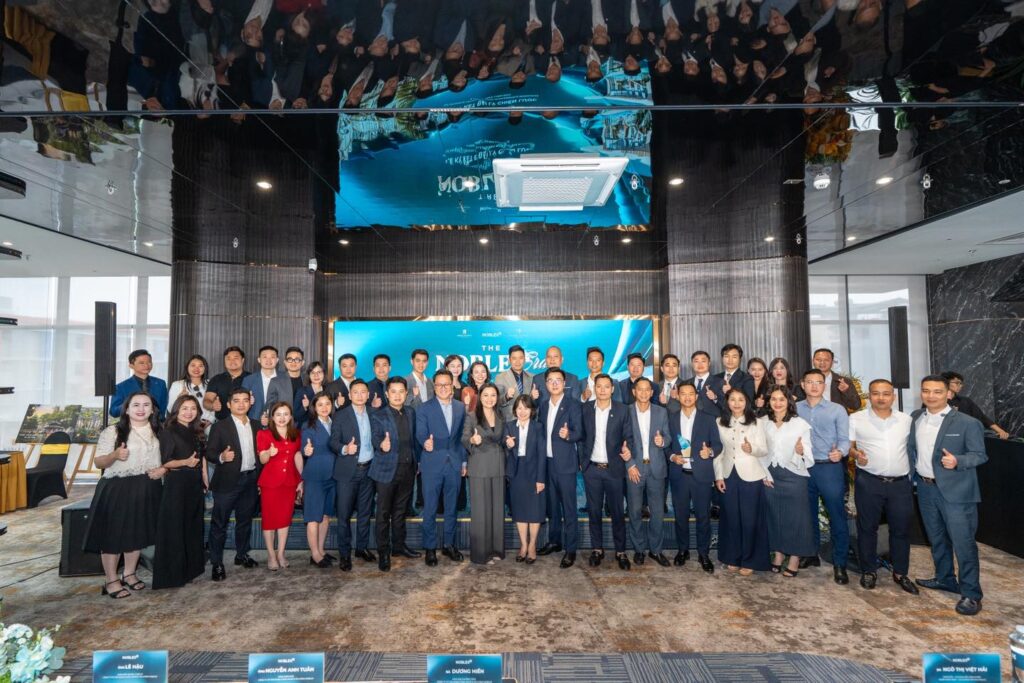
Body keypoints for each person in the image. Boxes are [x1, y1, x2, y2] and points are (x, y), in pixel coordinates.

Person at [910, 375, 988, 616]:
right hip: (925, 488)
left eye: (937, 391)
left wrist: (958, 461)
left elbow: (980, 455)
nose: (931, 396)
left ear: (949, 394)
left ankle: (971, 594)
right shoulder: (915, 417)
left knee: (963, 543)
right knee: (937, 539)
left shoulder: (967, 422)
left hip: (957, 492)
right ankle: (945, 578)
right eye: (926, 391)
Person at [85, 391, 165, 599]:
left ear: (153, 410)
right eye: (136, 405)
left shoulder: (158, 430)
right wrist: (114, 455)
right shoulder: (113, 431)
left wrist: (162, 470)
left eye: (146, 405)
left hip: (147, 487)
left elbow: (165, 458)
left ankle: (129, 573)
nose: (141, 409)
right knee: (113, 535)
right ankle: (111, 580)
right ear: (127, 409)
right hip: (118, 487)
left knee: (137, 533)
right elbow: (98, 462)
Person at [849, 379, 919, 594]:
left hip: (900, 485)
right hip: (869, 482)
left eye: (886, 394)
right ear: (869, 395)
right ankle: (869, 571)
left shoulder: (906, 420)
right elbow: (848, 447)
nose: (881, 398)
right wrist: (856, 454)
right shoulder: (856, 418)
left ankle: (900, 573)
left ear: (893, 397)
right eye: (876, 393)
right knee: (867, 528)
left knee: (901, 529)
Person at [796, 368, 852, 584]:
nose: (814, 386)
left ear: (824, 385)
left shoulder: (837, 409)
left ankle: (840, 563)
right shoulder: (795, 408)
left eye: (818, 382)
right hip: (804, 468)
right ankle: (811, 554)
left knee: (837, 515)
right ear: (803, 385)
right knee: (807, 514)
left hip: (829, 467)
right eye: (809, 382)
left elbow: (845, 440)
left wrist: (841, 452)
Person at [205, 387, 262, 581]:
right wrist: (221, 456)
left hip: (250, 480)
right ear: (229, 405)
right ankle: (217, 563)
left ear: (250, 403)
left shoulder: (257, 425)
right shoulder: (220, 426)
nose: (241, 404)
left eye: (245, 400)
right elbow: (210, 453)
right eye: (236, 401)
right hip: (227, 482)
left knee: (244, 521)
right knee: (219, 524)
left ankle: (242, 554)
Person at [759, 386, 815, 578]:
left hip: (794, 474)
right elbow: (760, 451)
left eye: (781, 399)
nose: (777, 403)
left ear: (788, 401)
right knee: (774, 516)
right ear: (769, 402)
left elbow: (808, 452)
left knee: (796, 518)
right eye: (773, 399)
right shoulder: (762, 422)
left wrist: (801, 451)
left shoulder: (800, 424)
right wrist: (764, 474)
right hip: (770, 475)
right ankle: (778, 554)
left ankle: (795, 558)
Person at [581, 373, 636, 570]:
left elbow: (629, 436)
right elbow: (581, 437)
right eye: (599, 386)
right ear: (594, 388)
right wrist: (582, 462)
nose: (602, 390)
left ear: (612, 389)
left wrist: (628, 449)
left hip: (614, 469)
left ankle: (620, 551)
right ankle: (597, 549)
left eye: (606, 386)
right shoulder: (586, 409)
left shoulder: (622, 410)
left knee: (617, 512)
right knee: (594, 512)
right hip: (592, 469)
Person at [667, 382, 723, 572]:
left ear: (696, 396)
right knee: (680, 516)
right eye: (683, 393)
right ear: (678, 396)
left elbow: (718, 445)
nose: (687, 397)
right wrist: (672, 457)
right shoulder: (671, 418)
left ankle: (703, 554)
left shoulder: (708, 419)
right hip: (680, 476)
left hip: (701, 476)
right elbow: (666, 446)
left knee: (703, 517)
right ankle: (682, 550)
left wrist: (710, 452)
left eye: (691, 393)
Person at [714, 389, 770, 575]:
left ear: (746, 402)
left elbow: (764, 449)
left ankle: (750, 560)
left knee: (750, 519)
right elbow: (719, 452)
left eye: (741, 399)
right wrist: (719, 476)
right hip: (728, 474)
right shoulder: (719, 422)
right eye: (733, 399)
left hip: (751, 475)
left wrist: (751, 448)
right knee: (731, 517)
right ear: (727, 402)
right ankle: (733, 557)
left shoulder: (756, 422)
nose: (737, 403)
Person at [153, 395, 206, 590]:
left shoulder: (196, 431)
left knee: (191, 527)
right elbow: (166, 461)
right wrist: (186, 462)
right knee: (175, 528)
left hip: (194, 483)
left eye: (193, 408)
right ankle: (173, 575)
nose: (189, 412)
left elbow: (201, 458)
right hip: (177, 484)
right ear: (176, 410)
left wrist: (205, 478)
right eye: (184, 408)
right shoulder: (169, 431)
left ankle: (190, 570)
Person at [369, 377, 422, 571]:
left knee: (400, 511)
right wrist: (381, 445)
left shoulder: (410, 412)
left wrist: (417, 461)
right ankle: (383, 552)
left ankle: (399, 546)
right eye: (393, 391)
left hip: (408, 470)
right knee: (383, 513)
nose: (398, 395)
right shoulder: (378, 415)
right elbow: (375, 438)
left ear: (406, 393)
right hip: (386, 470)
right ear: (387, 394)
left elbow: (414, 439)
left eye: (401, 391)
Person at [417, 369, 468, 565]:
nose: (443, 388)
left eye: (447, 384)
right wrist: (425, 442)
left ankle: (449, 545)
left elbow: (461, 438)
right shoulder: (424, 408)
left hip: (454, 463)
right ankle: (430, 548)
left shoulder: (460, 407)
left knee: (451, 508)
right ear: (434, 387)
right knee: (430, 508)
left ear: (452, 386)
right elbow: (420, 433)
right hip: (432, 463)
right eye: (439, 385)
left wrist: (463, 461)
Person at [536, 367, 583, 568]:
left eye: (558, 380)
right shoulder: (543, 406)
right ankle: (555, 541)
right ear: (546, 384)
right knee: (552, 506)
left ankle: (570, 549)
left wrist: (569, 435)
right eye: (550, 380)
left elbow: (580, 432)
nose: (554, 384)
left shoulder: (573, 405)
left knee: (569, 508)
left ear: (564, 383)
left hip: (565, 464)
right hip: (547, 463)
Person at [330, 379, 378, 571]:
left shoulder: (374, 414)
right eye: (355, 392)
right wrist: (344, 449)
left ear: (368, 395)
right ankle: (344, 554)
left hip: (369, 470)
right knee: (344, 515)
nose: (359, 395)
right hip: (347, 472)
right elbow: (333, 442)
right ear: (350, 395)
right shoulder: (340, 415)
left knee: (365, 513)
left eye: (363, 392)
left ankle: (362, 548)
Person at [625, 377, 671, 566]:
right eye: (640, 389)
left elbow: (668, 437)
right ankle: (638, 549)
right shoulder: (626, 412)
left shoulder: (661, 412)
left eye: (647, 390)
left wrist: (663, 441)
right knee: (635, 511)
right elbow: (622, 441)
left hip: (656, 468)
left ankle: (656, 550)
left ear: (652, 393)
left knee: (657, 512)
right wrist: (630, 465)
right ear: (634, 392)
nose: (643, 393)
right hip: (634, 468)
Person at [256, 401, 303, 571]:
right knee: (269, 520)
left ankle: (281, 553)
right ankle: (271, 555)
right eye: (278, 414)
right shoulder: (264, 434)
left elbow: (297, 456)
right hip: (270, 483)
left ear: (290, 417)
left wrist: (301, 480)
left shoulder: (296, 434)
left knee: (284, 519)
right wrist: (269, 453)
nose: (282, 418)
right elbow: (262, 459)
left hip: (289, 482)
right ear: (272, 417)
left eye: (285, 414)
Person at [462, 383, 506, 564]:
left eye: (493, 395)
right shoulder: (472, 416)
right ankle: (481, 553)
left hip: (498, 466)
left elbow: (504, 438)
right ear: (480, 397)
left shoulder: (501, 415)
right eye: (486, 395)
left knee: (497, 510)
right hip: (479, 466)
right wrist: (472, 440)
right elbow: (464, 438)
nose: (489, 399)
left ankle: (496, 550)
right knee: (481, 511)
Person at [504, 395, 546, 563]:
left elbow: (542, 454)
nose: (522, 411)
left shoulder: (538, 427)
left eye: (526, 408)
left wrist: (541, 479)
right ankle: (523, 545)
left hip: (534, 472)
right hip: (516, 473)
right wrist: (508, 446)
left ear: (532, 410)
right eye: (519, 408)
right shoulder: (509, 426)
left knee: (535, 510)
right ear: (515, 410)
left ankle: (532, 545)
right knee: (520, 510)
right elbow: (503, 449)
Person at [300, 392, 337, 569]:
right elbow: (304, 448)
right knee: (313, 516)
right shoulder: (308, 425)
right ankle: (314, 554)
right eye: (320, 404)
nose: (324, 407)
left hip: (333, 476)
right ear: (314, 407)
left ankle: (321, 550)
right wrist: (306, 451)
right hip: (315, 476)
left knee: (325, 516)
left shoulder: (335, 423)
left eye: (327, 403)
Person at [942, 371, 1010, 439]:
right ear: (946, 383)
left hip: (968, 436)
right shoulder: (939, 401)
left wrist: (1000, 431)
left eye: (961, 383)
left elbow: (982, 418)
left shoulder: (965, 401)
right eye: (957, 383)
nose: (960, 385)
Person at [110, 349, 169, 418]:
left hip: (156, 423)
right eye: (142, 363)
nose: (146, 365)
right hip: (131, 423)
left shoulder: (160, 384)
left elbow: (163, 408)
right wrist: (129, 404)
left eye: (149, 362)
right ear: (131, 365)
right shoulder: (121, 387)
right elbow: (113, 412)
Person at [242, 345, 291, 420]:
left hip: (280, 421)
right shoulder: (248, 380)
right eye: (265, 357)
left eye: (272, 357)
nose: (268, 360)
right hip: (255, 421)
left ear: (277, 360)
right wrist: (248, 401)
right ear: (259, 360)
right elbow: (242, 403)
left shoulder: (286, 378)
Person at [168, 354, 215, 430]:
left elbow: (216, 405)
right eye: (193, 365)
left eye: (200, 366)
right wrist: (179, 399)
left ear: (205, 368)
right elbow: (170, 408)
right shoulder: (177, 384)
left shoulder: (211, 384)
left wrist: (209, 421)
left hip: (208, 426)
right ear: (187, 367)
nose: (196, 369)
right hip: (185, 425)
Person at [204, 346, 249, 422]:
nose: (232, 361)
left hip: (246, 422)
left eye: (236, 358)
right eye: (228, 358)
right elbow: (206, 400)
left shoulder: (251, 378)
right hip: (221, 422)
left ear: (242, 360)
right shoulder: (216, 379)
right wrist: (212, 405)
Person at [494, 345, 534, 421]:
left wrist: (533, 397)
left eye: (521, 358)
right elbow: (496, 402)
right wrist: (506, 397)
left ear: (525, 359)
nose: (518, 361)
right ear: (509, 360)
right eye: (514, 358)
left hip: (528, 422)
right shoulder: (500, 378)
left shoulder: (532, 377)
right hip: (509, 421)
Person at [684, 350, 725, 417]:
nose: (700, 364)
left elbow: (726, 406)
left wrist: (715, 398)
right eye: (696, 361)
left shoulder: (720, 382)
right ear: (692, 364)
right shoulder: (686, 383)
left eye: (703, 361)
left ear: (709, 363)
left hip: (713, 421)